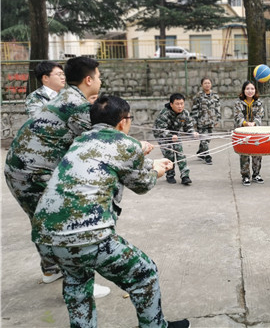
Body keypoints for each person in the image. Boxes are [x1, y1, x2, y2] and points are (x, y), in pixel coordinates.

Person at [31, 95, 189, 328]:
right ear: (123, 121)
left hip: (45, 236)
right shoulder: (125, 143)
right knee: (144, 273)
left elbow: (112, 163)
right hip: (87, 235)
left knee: (77, 282)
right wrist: (157, 170)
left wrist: (148, 163)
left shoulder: (81, 140)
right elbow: (142, 185)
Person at [4, 56, 109, 296]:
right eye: (99, 76)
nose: (101, 81)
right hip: (32, 173)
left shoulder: (68, 96)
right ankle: (80, 288)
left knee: (45, 223)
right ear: (89, 79)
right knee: (69, 225)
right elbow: (98, 145)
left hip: (21, 169)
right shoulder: (76, 104)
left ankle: (51, 270)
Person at [153, 93, 198, 186]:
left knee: (180, 152)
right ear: (171, 104)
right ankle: (170, 175)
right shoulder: (164, 114)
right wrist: (170, 135)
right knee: (169, 154)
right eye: (177, 104)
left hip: (175, 135)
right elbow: (160, 130)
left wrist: (193, 132)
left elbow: (188, 126)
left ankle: (185, 176)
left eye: (182, 103)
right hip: (163, 135)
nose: (180, 106)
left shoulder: (185, 113)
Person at [234, 81, 265, 186]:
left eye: (252, 89)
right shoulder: (238, 103)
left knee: (257, 153)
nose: (250, 91)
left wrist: (254, 123)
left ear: (255, 90)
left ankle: (256, 174)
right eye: (247, 89)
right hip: (242, 132)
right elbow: (237, 116)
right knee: (244, 154)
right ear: (243, 90)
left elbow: (260, 116)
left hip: (256, 132)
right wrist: (245, 123)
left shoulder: (259, 103)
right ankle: (245, 176)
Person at [191, 77, 221, 165]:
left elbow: (217, 108)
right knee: (204, 139)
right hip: (201, 121)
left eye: (208, 83)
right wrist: (194, 122)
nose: (207, 85)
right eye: (205, 83)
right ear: (202, 85)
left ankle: (201, 152)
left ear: (211, 84)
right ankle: (207, 156)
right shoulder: (198, 96)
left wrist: (217, 119)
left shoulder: (215, 95)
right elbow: (194, 109)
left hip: (211, 121)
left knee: (207, 139)